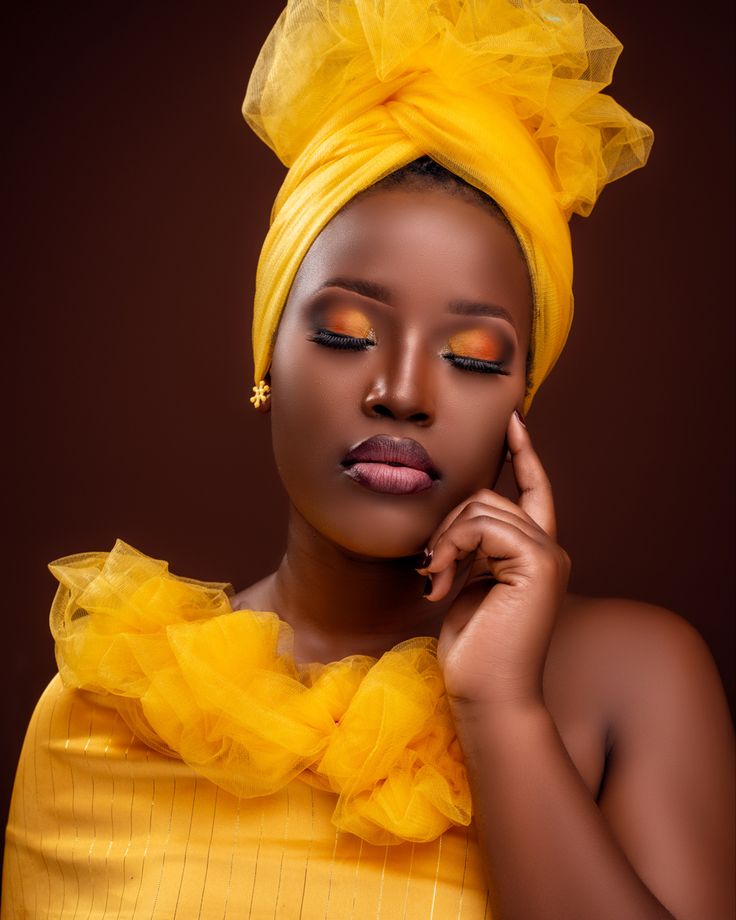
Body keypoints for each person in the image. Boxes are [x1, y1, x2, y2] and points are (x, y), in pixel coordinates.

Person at [3, 1, 733, 918]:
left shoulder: (631, 677)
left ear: (521, 399)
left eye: (472, 356)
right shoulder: (98, 717)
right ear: (269, 351)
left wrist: (500, 711)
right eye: (346, 333)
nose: (403, 389)